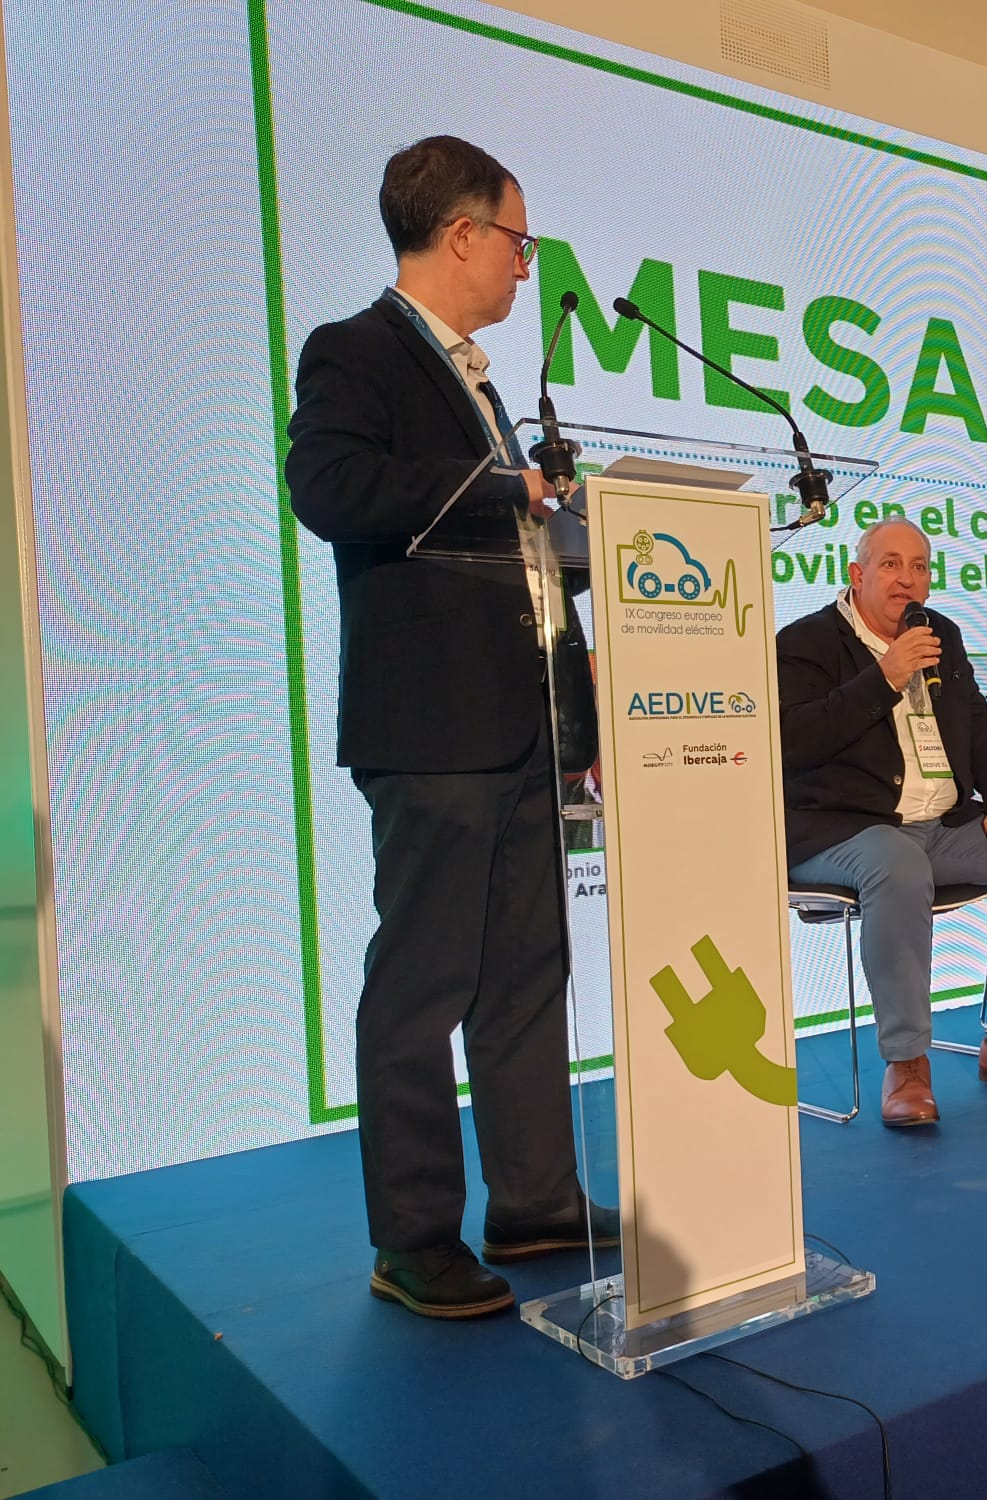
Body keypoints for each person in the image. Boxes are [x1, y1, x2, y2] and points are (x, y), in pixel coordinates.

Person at [287, 137, 607, 1320]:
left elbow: (515, 560)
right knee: (423, 984)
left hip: (524, 725)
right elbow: (328, 491)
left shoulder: (482, 387)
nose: (526, 265)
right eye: (519, 241)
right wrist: (505, 491)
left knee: (526, 972)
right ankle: (413, 1237)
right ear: (461, 233)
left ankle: (534, 1201)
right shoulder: (356, 350)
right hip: (431, 729)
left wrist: (576, 553)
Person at [778, 519, 987, 1126]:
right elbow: (792, 742)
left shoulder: (940, 634)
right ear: (856, 574)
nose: (908, 579)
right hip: (842, 829)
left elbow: (978, 724)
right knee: (898, 863)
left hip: (941, 822)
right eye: (891, 565)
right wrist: (885, 677)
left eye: (920, 567)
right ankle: (906, 1063)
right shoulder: (806, 642)